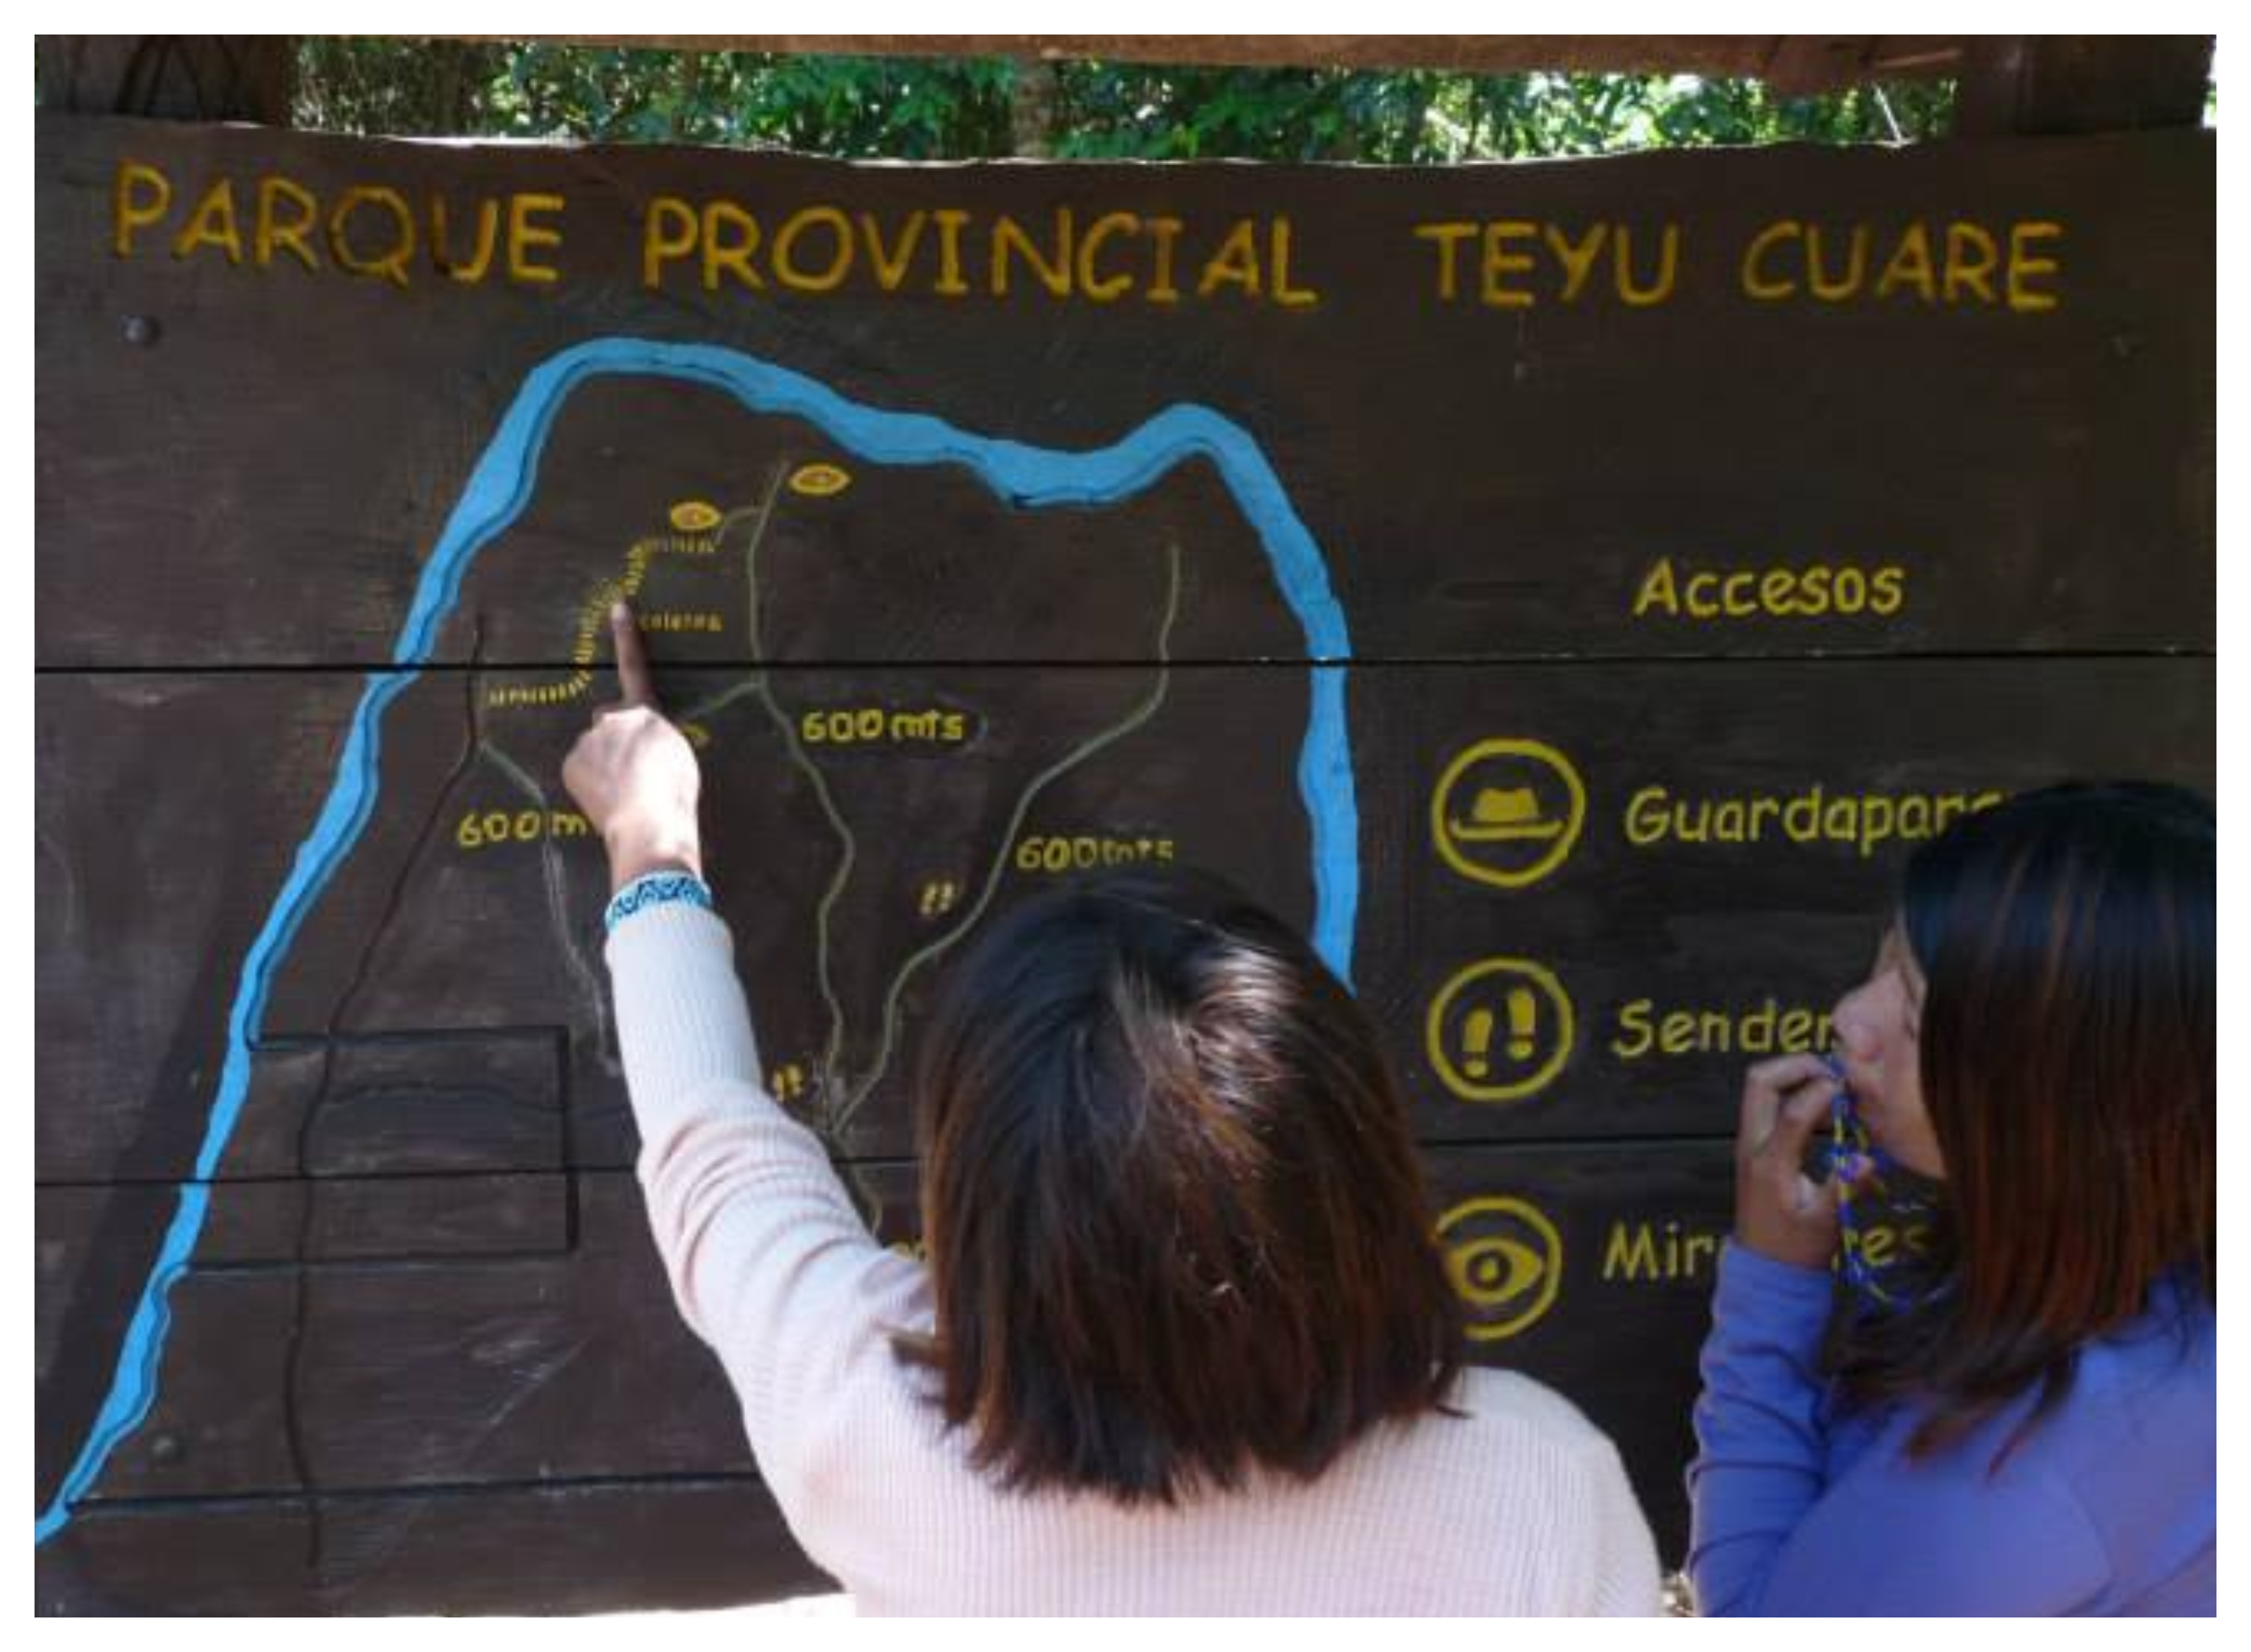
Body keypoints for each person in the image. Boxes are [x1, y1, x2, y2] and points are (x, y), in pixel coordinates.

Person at [562, 604, 1660, 1615]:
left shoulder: (876, 1427)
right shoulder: (1537, 1478)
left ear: (984, 1199)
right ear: (1358, 1170)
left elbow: (713, 1148)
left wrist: (648, 841)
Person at [1688, 781, 2214, 1615]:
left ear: (2061, 1091)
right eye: (1883, 959)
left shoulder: (2027, 1468)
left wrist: (1771, 1291)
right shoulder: (2159, 1280)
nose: (1850, 1017)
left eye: (1917, 1010)